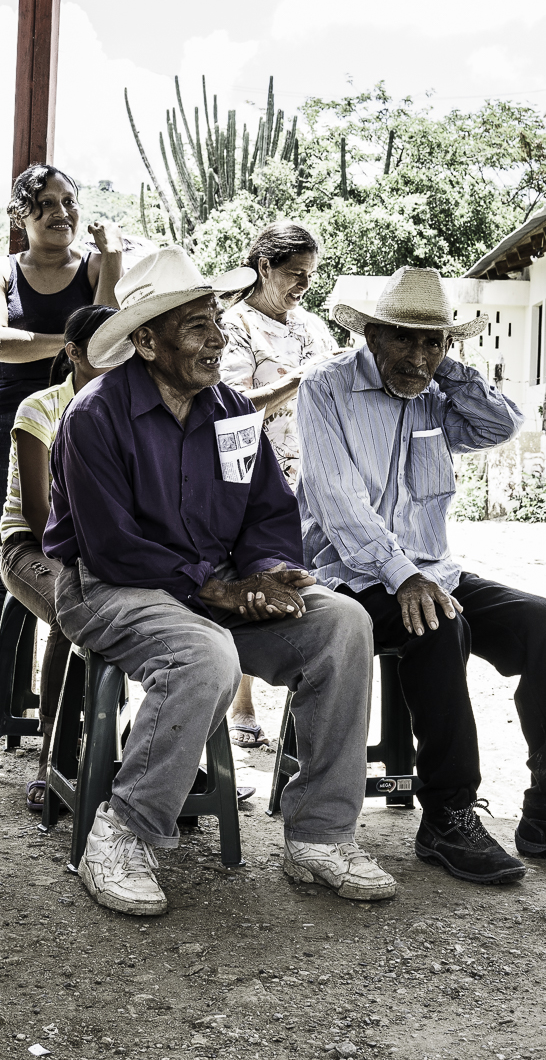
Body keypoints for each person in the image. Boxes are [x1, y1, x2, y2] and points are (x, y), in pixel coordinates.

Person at [46, 246, 396, 917]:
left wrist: (264, 572)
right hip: (114, 586)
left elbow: (267, 508)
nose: (216, 338)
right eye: (197, 325)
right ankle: (120, 835)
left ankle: (320, 835)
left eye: (216, 320)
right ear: (146, 340)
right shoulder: (93, 417)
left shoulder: (230, 409)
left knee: (344, 623)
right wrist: (215, 589)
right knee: (207, 653)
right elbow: (113, 546)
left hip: (214, 584)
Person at [296, 266, 546, 884]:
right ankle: (448, 816)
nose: (420, 354)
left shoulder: (435, 389)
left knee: (541, 621)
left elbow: (501, 426)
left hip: (432, 572)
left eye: (435, 341)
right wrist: (401, 575)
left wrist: (446, 369)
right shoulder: (327, 388)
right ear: (371, 334)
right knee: (439, 625)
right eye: (405, 338)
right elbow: (335, 499)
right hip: (347, 577)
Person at [0, 165, 122, 735]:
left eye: (69, 201)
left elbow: (105, 338)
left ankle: (81, 721)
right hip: (17, 417)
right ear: (20, 217)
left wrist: (112, 270)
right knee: (24, 546)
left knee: (83, 552)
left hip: (91, 414)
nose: (61, 213)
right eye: (45, 204)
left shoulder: (98, 266)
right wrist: (73, 346)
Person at [216, 221, 336, 752]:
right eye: (294, 273)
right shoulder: (233, 325)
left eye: (310, 275)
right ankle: (239, 706)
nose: (303, 285)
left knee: (302, 584)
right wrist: (300, 378)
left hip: (308, 475)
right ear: (264, 267)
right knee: (248, 578)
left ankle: (301, 723)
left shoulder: (312, 327)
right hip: (249, 474)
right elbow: (233, 405)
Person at [0, 303, 115, 811]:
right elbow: (41, 511)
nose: (116, 357)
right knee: (74, 609)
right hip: (30, 545)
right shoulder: (39, 408)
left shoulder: (122, 410)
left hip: (99, 552)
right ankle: (54, 754)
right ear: (72, 352)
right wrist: (93, 562)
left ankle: (123, 750)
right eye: (103, 346)